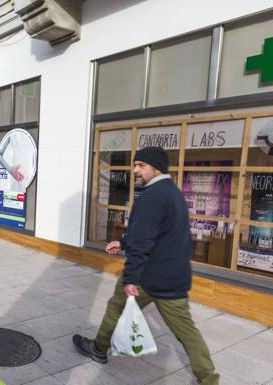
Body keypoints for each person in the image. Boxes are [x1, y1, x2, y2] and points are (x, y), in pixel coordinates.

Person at [72, 146, 220, 385]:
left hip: (148, 276)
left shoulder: (151, 197)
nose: (135, 170)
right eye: (134, 165)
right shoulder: (172, 192)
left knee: (116, 308)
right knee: (186, 331)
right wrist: (122, 241)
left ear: (156, 167)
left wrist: (130, 278)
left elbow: (142, 242)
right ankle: (209, 379)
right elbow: (153, 233)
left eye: (141, 165)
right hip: (173, 277)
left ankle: (99, 349)